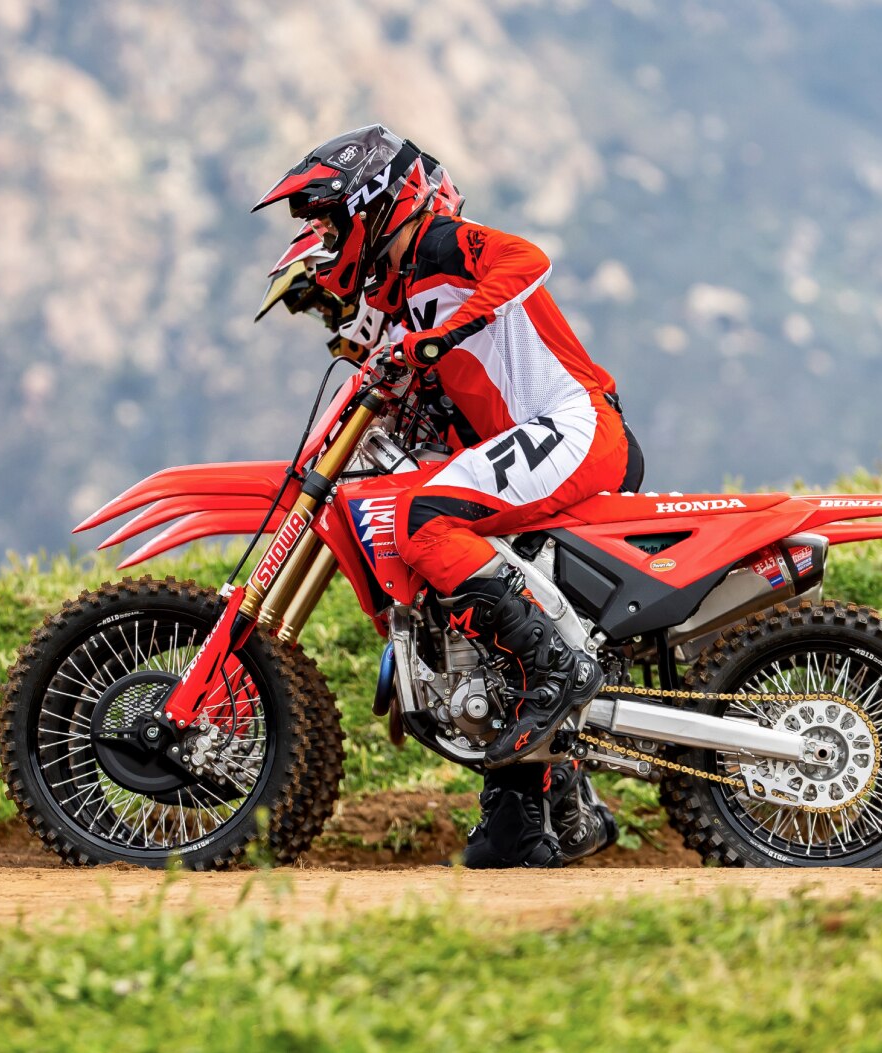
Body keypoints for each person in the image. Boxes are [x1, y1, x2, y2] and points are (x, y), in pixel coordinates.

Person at [255, 124, 640, 867]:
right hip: (552, 434)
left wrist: (437, 337)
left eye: (331, 221)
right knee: (455, 598)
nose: (329, 242)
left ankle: (559, 671)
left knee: (423, 519)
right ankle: (532, 817)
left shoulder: (436, 244)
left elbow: (527, 257)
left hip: (576, 424)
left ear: (369, 202)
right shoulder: (403, 293)